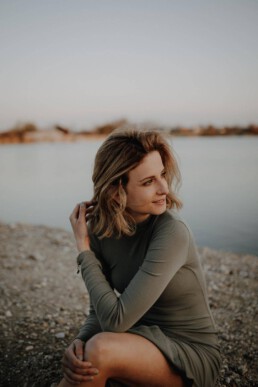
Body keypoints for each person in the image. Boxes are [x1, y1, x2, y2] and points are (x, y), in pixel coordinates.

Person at [58, 128, 221, 387]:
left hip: (187, 352)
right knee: (85, 358)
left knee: (97, 351)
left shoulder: (172, 232)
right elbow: (98, 312)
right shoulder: (101, 229)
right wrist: (78, 342)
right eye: (148, 182)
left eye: (162, 175)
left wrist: (83, 249)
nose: (164, 188)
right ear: (115, 190)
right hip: (135, 338)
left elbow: (115, 320)